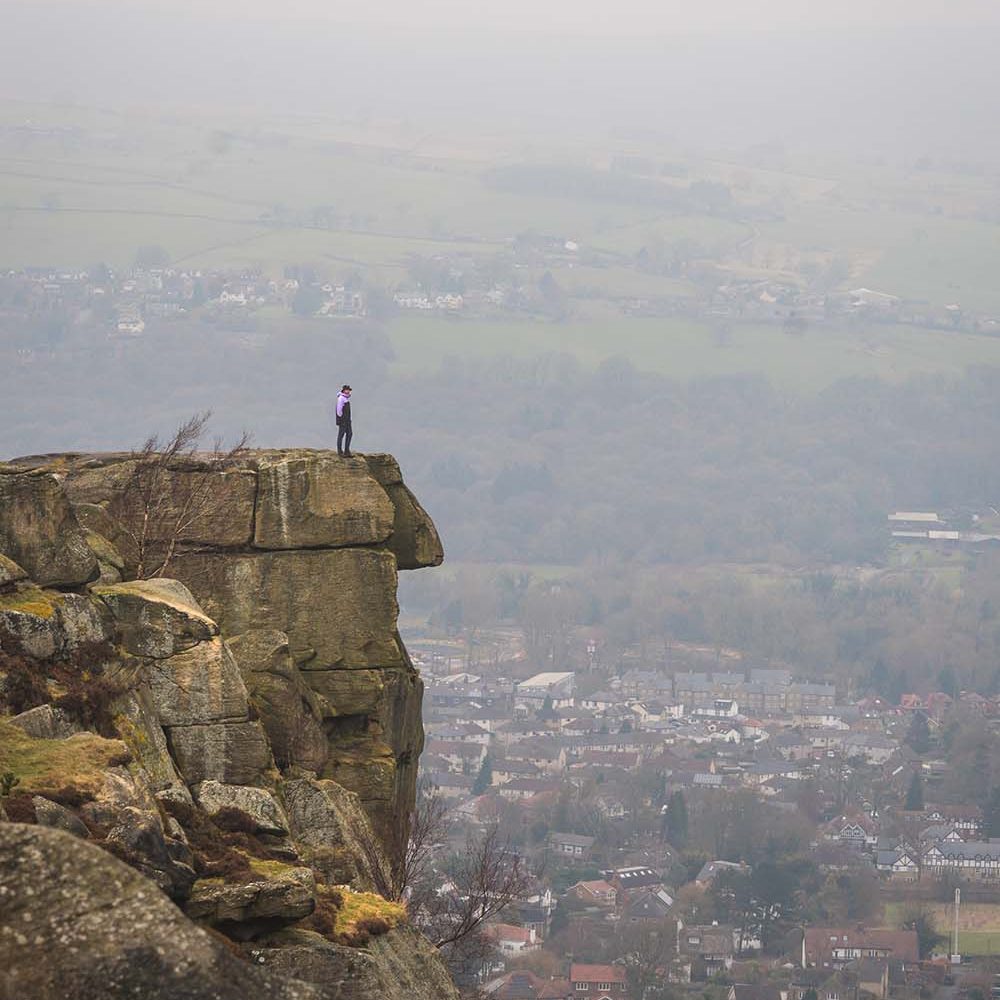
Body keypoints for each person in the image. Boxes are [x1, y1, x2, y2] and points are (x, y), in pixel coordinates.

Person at [336, 384, 353, 457]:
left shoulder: (346, 398)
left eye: (349, 390)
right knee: (341, 435)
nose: (349, 391)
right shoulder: (341, 398)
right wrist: (342, 419)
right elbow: (339, 410)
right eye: (347, 390)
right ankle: (340, 451)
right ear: (344, 390)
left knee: (349, 434)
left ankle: (347, 450)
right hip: (343, 420)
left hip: (347, 420)